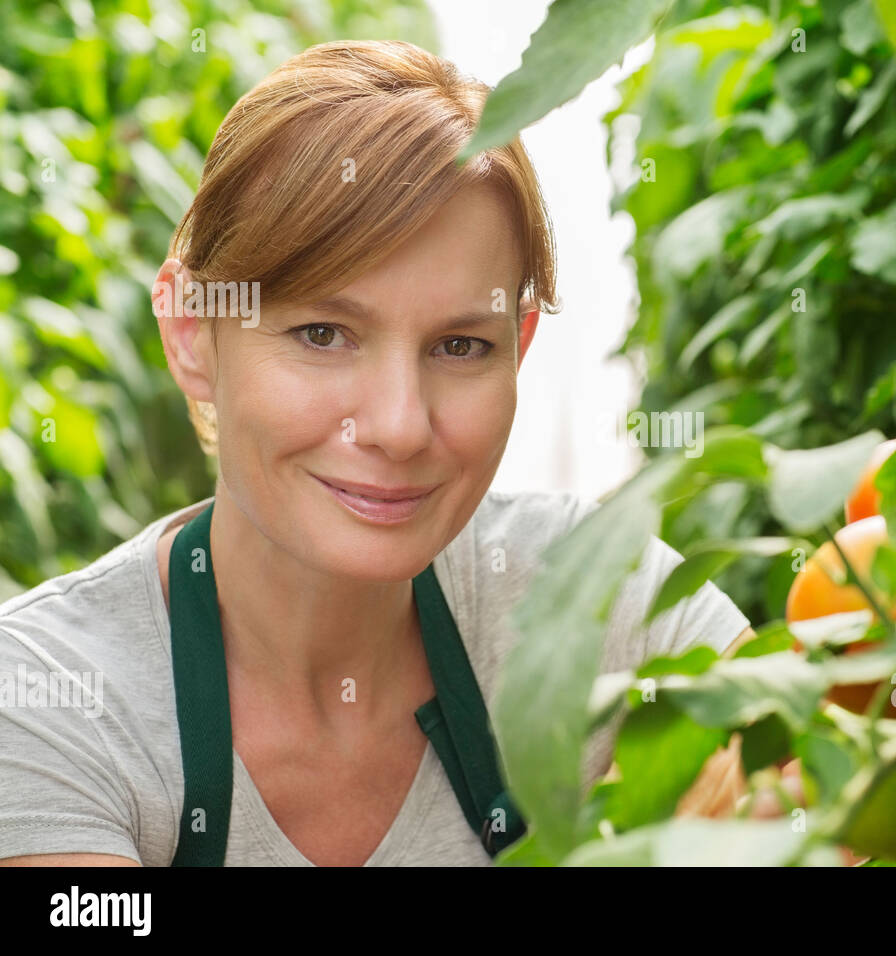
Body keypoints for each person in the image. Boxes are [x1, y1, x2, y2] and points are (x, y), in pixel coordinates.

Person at [0, 40, 755, 867]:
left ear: (519, 344)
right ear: (191, 333)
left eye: (461, 346)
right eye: (322, 334)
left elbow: (811, 783)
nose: (399, 426)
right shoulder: (47, 699)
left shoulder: (606, 601)